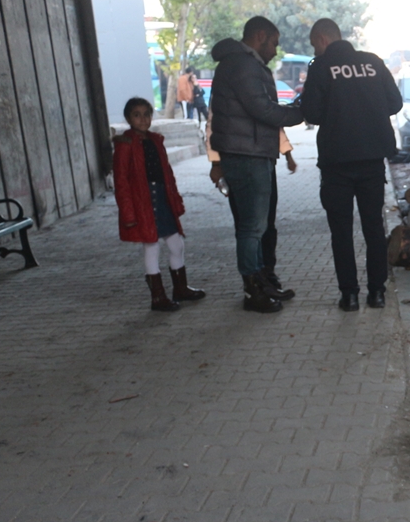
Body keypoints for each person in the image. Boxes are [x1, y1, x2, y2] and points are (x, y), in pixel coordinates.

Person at [301, 18, 402, 310]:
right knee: (373, 228)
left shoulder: (320, 68)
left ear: (321, 39)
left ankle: (350, 295)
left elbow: (311, 113)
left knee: (341, 231)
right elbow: (395, 104)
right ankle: (378, 293)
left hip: (337, 164)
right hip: (372, 160)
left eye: (314, 46)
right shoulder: (373, 63)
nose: (316, 51)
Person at [208, 16, 304, 312]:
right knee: (252, 227)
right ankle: (253, 291)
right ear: (260, 36)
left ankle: (261, 282)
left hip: (249, 153)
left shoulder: (238, 63)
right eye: (274, 42)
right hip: (246, 156)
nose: (276, 50)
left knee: (258, 226)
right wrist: (300, 112)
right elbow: (261, 108)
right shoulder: (243, 65)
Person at [112, 97, 205, 312]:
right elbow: (121, 182)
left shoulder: (155, 141)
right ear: (128, 118)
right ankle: (158, 297)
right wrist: (128, 213)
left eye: (147, 114)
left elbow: (168, 174)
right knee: (151, 246)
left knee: (176, 243)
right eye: (137, 115)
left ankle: (180, 288)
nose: (143, 119)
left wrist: (176, 200)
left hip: (162, 198)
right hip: (142, 202)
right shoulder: (124, 146)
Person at [206, 109, 298, 298]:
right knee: (248, 225)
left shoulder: (259, 83)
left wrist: (287, 153)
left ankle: (266, 275)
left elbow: (271, 118)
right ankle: (252, 283)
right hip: (238, 162)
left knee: (266, 224)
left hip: (264, 160)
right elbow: (213, 125)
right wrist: (216, 164)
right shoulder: (229, 84)